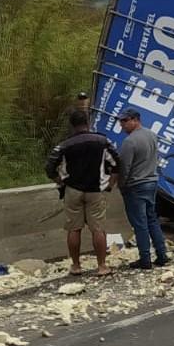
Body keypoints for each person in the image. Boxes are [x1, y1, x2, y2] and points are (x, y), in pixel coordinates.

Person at [45, 109, 120, 276]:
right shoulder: (102, 141)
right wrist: (110, 184)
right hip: (96, 190)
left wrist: (60, 180)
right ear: (88, 122)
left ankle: (76, 266)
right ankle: (102, 266)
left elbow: (49, 167)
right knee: (98, 228)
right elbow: (117, 162)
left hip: (73, 190)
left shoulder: (65, 145)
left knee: (74, 229)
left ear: (72, 125)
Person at [116, 108, 170, 270]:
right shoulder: (152, 135)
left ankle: (145, 259)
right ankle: (162, 254)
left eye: (125, 121)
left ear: (135, 120)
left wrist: (121, 185)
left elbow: (124, 168)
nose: (122, 125)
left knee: (139, 224)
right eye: (120, 121)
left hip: (136, 185)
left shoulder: (129, 142)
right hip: (151, 182)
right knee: (152, 219)